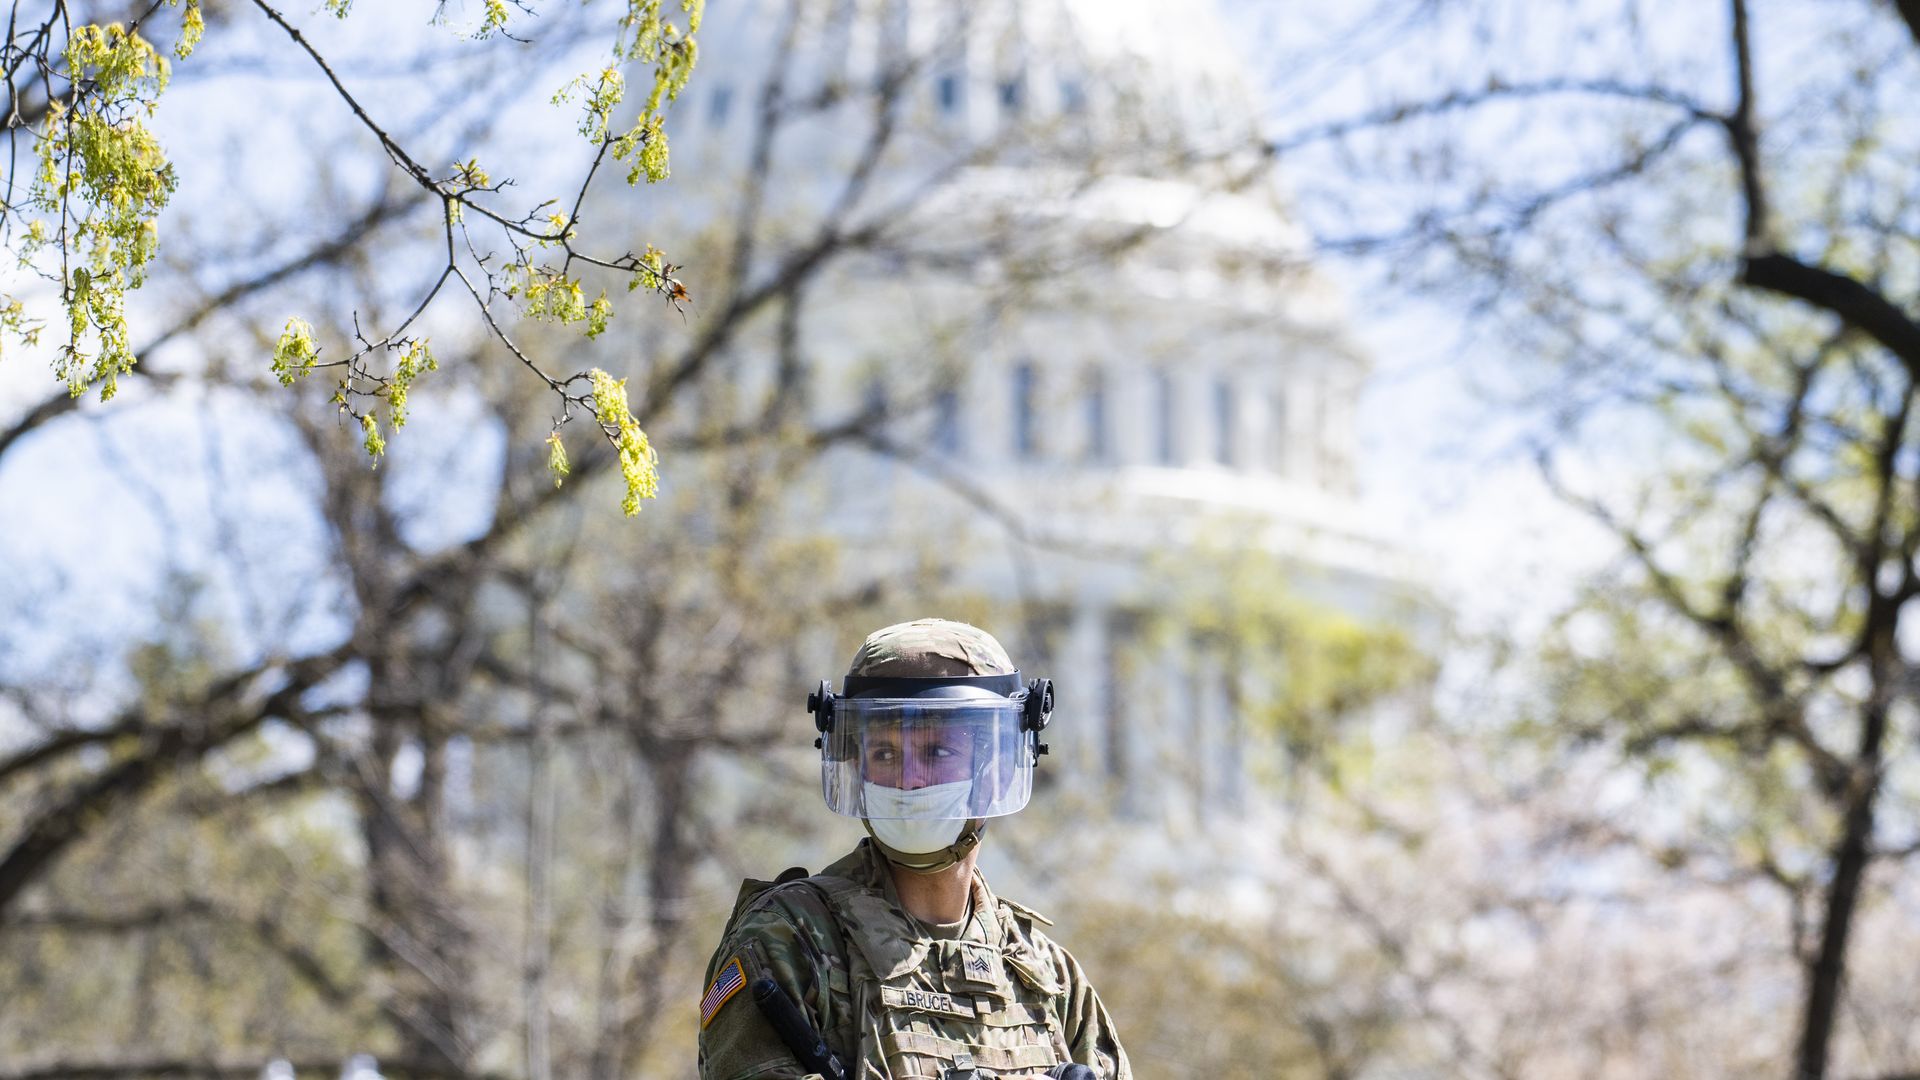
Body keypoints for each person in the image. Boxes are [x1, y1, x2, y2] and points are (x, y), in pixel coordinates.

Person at [697, 618, 1131, 1079]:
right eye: (884, 754)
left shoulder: (1050, 979)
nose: (909, 779)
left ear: (998, 771)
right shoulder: (789, 940)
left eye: (937, 753)